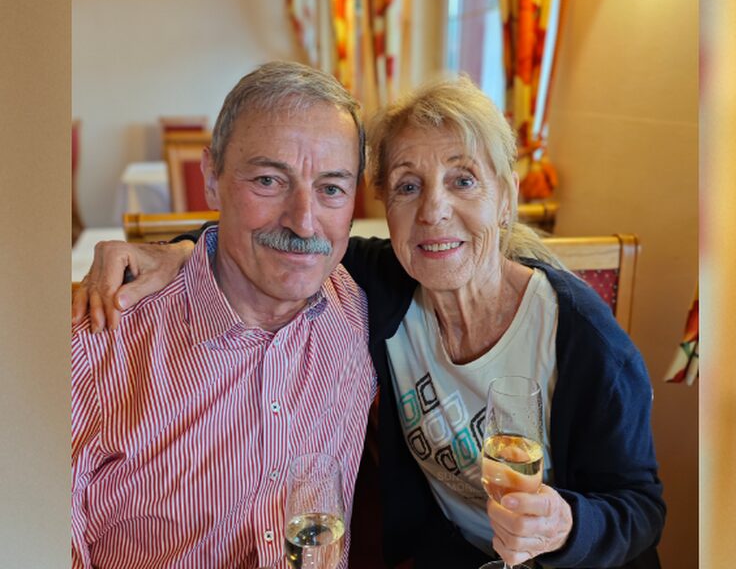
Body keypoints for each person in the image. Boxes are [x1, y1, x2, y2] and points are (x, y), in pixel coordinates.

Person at [74, 75, 665, 568]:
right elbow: (274, 243)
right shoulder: (382, 291)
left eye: (463, 180)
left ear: (506, 197)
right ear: (383, 204)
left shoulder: (583, 338)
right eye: (408, 186)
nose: (434, 210)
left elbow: (642, 506)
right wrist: (178, 250)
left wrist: (566, 526)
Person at [70, 61, 377, 569]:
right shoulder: (100, 343)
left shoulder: (359, 311)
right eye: (268, 180)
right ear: (211, 179)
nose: (304, 222)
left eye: (331, 188)